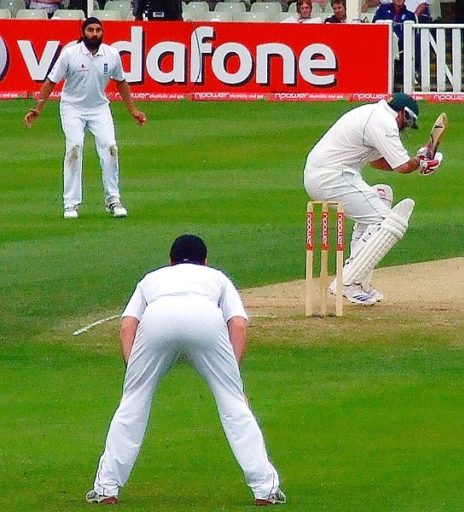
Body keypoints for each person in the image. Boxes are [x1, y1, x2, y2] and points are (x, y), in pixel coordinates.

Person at [85, 234, 285, 506]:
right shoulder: (217, 278)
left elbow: (127, 324)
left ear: (170, 262)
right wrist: (232, 381)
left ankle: (106, 487)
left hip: (157, 320)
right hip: (205, 320)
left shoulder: (151, 278)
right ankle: (265, 489)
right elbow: (238, 324)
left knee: (133, 402)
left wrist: (135, 374)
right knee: (234, 405)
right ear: (205, 262)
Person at [303, 94, 443, 306]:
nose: (406, 128)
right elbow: (402, 166)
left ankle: (357, 279)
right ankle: (347, 282)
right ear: (403, 114)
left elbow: (379, 163)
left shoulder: (374, 115)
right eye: (408, 123)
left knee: (383, 194)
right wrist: (420, 162)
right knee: (387, 223)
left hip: (331, 175)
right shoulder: (384, 122)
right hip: (332, 177)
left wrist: (419, 161)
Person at [23, 17, 146, 220]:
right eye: (90, 30)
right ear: (83, 32)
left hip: (99, 108)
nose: (95, 34)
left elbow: (121, 82)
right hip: (72, 108)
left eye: (98, 30)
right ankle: (71, 204)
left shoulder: (111, 54)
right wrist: (38, 108)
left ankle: (113, 200)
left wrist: (132, 110)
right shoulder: (70, 54)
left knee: (110, 147)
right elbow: (51, 82)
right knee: (75, 147)